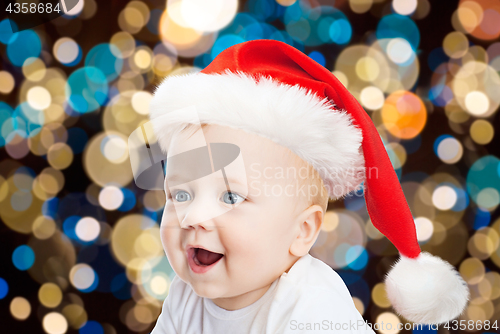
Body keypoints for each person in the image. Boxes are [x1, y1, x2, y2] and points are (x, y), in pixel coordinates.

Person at [146, 40, 469, 334]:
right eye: (181, 194)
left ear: (302, 231)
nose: (192, 217)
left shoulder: (311, 306)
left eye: (230, 196)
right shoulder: (183, 295)